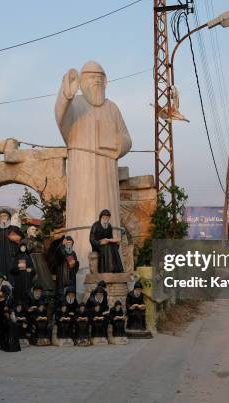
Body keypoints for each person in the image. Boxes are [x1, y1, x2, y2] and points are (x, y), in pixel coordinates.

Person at [55, 61, 132, 275]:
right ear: (81, 81)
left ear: (106, 81)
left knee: (109, 217)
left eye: (100, 77)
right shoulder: (76, 105)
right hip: (82, 171)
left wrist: (119, 144)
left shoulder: (113, 108)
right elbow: (60, 118)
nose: (96, 81)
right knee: (82, 217)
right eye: (90, 77)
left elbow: (127, 137)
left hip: (107, 170)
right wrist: (65, 95)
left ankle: (115, 269)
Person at [90, 209, 124, 273]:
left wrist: (116, 242)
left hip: (107, 244)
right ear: (101, 217)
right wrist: (100, 242)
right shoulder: (96, 225)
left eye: (107, 217)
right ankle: (107, 269)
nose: (106, 219)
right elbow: (92, 239)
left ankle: (118, 269)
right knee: (107, 246)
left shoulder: (109, 226)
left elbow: (111, 238)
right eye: (104, 217)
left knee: (113, 245)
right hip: (97, 246)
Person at [10, 239, 35, 304]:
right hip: (19, 279)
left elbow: (33, 269)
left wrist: (30, 269)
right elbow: (12, 269)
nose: (23, 248)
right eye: (22, 247)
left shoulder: (28, 257)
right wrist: (18, 268)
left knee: (27, 295)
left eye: (24, 247)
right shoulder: (16, 258)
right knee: (19, 295)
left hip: (27, 279)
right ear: (19, 248)